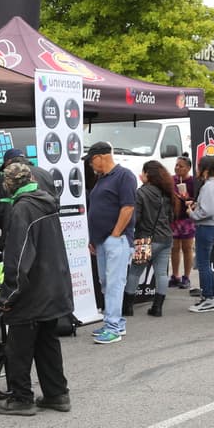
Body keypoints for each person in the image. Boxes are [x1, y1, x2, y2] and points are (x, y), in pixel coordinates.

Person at [0, 161, 73, 415]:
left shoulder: (22, 209)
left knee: (18, 346)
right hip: (53, 285)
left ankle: (21, 398)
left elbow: (18, 258)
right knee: (47, 342)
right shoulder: (46, 203)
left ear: (8, 185)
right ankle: (57, 394)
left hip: (32, 291)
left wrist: (9, 295)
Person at [86, 141, 138, 344]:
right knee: (107, 283)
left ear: (100, 157)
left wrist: (115, 234)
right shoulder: (102, 179)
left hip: (116, 239)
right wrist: (94, 238)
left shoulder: (124, 176)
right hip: (103, 240)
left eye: (91, 161)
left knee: (114, 283)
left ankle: (113, 327)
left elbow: (128, 207)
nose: (91, 165)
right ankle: (114, 321)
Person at [124, 160, 177, 318]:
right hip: (166, 238)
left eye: (144, 172)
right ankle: (157, 307)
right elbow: (170, 217)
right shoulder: (166, 192)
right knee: (161, 273)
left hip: (145, 239)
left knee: (134, 272)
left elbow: (136, 218)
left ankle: (127, 307)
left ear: (148, 174)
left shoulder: (141, 193)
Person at [187, 155, 214, 313]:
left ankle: (208, 298)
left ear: (206, 170)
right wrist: (197, 206)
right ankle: (213, 295)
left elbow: (208, 210)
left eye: (198, 167)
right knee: (205, 263)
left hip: (207, 227)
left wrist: (192, 213)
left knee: (203, 264)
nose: (197, 170)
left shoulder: (208, 186)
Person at [0, 149, 56, 239]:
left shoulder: (4, 179)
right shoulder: (46, 174)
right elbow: (56, 204)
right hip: (48, 236)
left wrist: (7, 225)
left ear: (8, 162)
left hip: (16, 236)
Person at [169, 154, 198, 290]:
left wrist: (188, 198)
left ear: (188, 168)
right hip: (174, 218)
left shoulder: (193, 182)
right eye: (176, 165)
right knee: (174, 248)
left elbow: (197, 199)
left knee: (187, 248)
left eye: (180, 166)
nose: (177, 168)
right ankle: (175, 276)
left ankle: (186, 276)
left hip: (187, 219)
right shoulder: (171, 181)